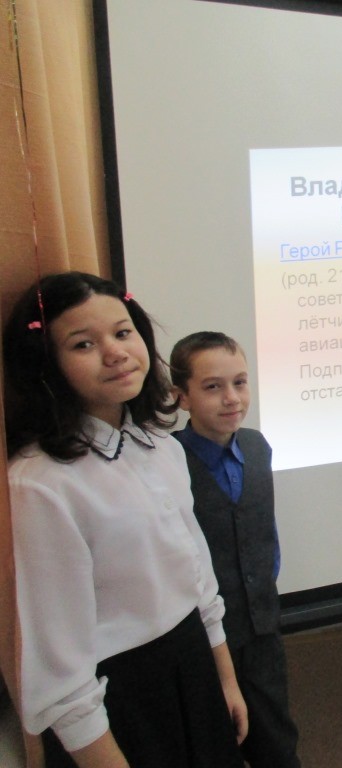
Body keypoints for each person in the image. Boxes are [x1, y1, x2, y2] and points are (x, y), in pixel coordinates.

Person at [3, 272, 246, 768]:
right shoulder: (40, 484)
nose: (114, 353)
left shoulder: (160, 446)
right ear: (47, 363)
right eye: (83, 344)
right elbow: (60, 670)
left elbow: (198, 577)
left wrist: (224, 677)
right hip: (120, 693)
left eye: (122, 332)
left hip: (192, 659)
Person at [169, 332, 301, 768]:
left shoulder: (257, 447)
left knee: (275, 740)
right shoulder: (168, 463)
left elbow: (264, 534)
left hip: (260, 628)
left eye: (240, 383)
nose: (231, 398)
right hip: (202, 640)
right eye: (213, 387)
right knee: (213, 742)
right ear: (182, 396)